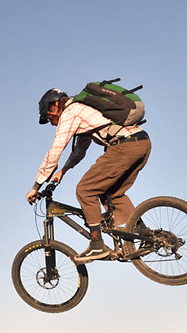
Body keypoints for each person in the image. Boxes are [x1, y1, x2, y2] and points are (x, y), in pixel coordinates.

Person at [26, 88, 151, 263]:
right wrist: (64, 170)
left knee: (85, 190)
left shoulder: (70, 113)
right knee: (113, 194)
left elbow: (55, 151)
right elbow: (79, 151)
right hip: (141, 143)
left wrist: (36, 186)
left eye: (49, 117)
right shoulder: (82, 110)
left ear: (55, 106)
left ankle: (97, 244)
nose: (51, 123)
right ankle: (145, 235)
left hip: (124, 146)